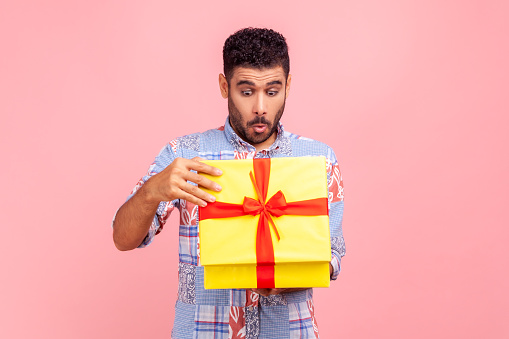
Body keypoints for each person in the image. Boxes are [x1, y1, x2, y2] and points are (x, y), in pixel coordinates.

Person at [112, 27, 345, 339]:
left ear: (288, 85)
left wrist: (293, 273)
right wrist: (153, 189)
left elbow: (334, 253)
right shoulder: (186, 154)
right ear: (225, 86)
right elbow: (123, 239)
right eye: (246, 92)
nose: (260, 107)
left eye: (272, 92)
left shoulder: (319, 159)